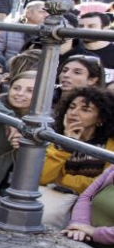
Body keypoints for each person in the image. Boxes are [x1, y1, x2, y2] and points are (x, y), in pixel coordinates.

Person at [40, 86, 114, 227]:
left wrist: (62, 179)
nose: (74, 113)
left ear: (101, 118)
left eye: (85, 110)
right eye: (71, 107)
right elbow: (43, 178)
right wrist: (65, 145)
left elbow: (101, 186)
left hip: (90, 206)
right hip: (57, 198)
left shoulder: (110, 146)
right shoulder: (55, 138)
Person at [63, 164, 114, 248]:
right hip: (89, 243)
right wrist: (79, 226)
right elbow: (86, 196)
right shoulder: (112, 167)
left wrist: (94, 232)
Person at [67, 12, 114, 79]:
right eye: (81, 26)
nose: (84, 30)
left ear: (105, 29)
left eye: (91, 26)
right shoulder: (71, 48)